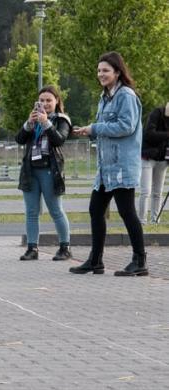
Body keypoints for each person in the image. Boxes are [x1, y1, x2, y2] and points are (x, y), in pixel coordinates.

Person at [71, 52, 147, 276]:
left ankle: (140, 260)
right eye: (98, 71)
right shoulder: (104, 97)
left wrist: (95, 128)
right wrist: (89, 131)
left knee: (127, 212)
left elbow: (126, 126)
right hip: (106, 167)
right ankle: (95, 261)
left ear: (117, 71)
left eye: (105, 70)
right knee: (96, 209)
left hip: (122, 166)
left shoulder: (126, 95)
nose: (100, 74)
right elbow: (103, 127)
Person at [15, 86, 72, 261]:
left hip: (50, 170)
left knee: (55, 210)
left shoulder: (61, 120)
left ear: (56, 102)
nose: (45, 104)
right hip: (31, 170)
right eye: (41, 100)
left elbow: (59, 140)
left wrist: (46, 123)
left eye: (49, 100)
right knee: (31, 211)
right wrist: (28, 124)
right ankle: (32, 248)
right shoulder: (34, 121)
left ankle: (65, 247)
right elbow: (19, 139)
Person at [138, 102, 169, 223]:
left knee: (158, 193)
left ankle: (155, 220)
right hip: (148, 157)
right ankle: (142, 221)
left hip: (162, 159)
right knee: (146, 191)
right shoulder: (157, 113)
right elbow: (149, 134)